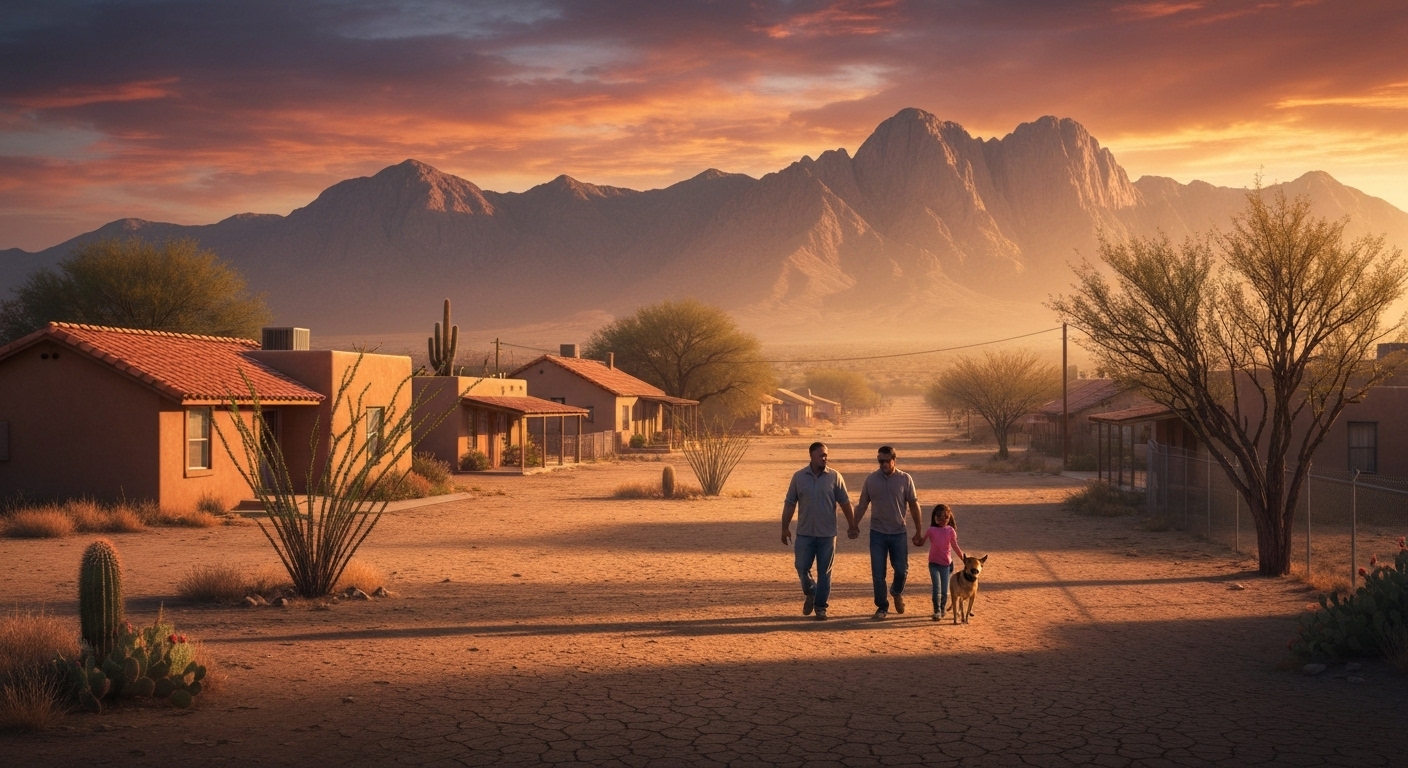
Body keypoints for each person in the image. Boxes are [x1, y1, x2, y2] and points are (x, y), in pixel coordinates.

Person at [782, 442, 855, 621]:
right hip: (805, 533)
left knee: (825, 572)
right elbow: (790, 503)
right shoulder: (799, 477)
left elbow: (845, 503)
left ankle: (821, 607)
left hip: (827, 534)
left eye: (826, 455)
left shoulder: (835, 477)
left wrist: (852, 525)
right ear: (812, 456)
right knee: (801, 566)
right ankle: (811, 592)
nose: (825, 458)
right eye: (821, 455)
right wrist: (785, 528)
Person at [852, 445, 922, 620]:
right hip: (878, 533)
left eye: (885, 461)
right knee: (878, 573)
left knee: (902, 569)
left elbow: (913, 505)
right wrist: (854, 525)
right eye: (879, 461)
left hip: (898, 532)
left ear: (893, 460)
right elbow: (862, 505)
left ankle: (896, 591)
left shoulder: (905, 479)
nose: (882, 464)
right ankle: (882, 606)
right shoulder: (871, 480)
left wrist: (919, 530)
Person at [914, 504, 965, 621]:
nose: (942, 520)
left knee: (944, 589)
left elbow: (955, 546)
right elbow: (922, 542)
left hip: (946, 564)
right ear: (934, 517)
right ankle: (936, 610)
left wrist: (963, 558)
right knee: (936, 588)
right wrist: (916, 541)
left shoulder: (951, 531)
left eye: (945, 518)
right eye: (939, 517)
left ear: (949, 518)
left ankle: (942, 609)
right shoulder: (931, 530)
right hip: (933, 563)